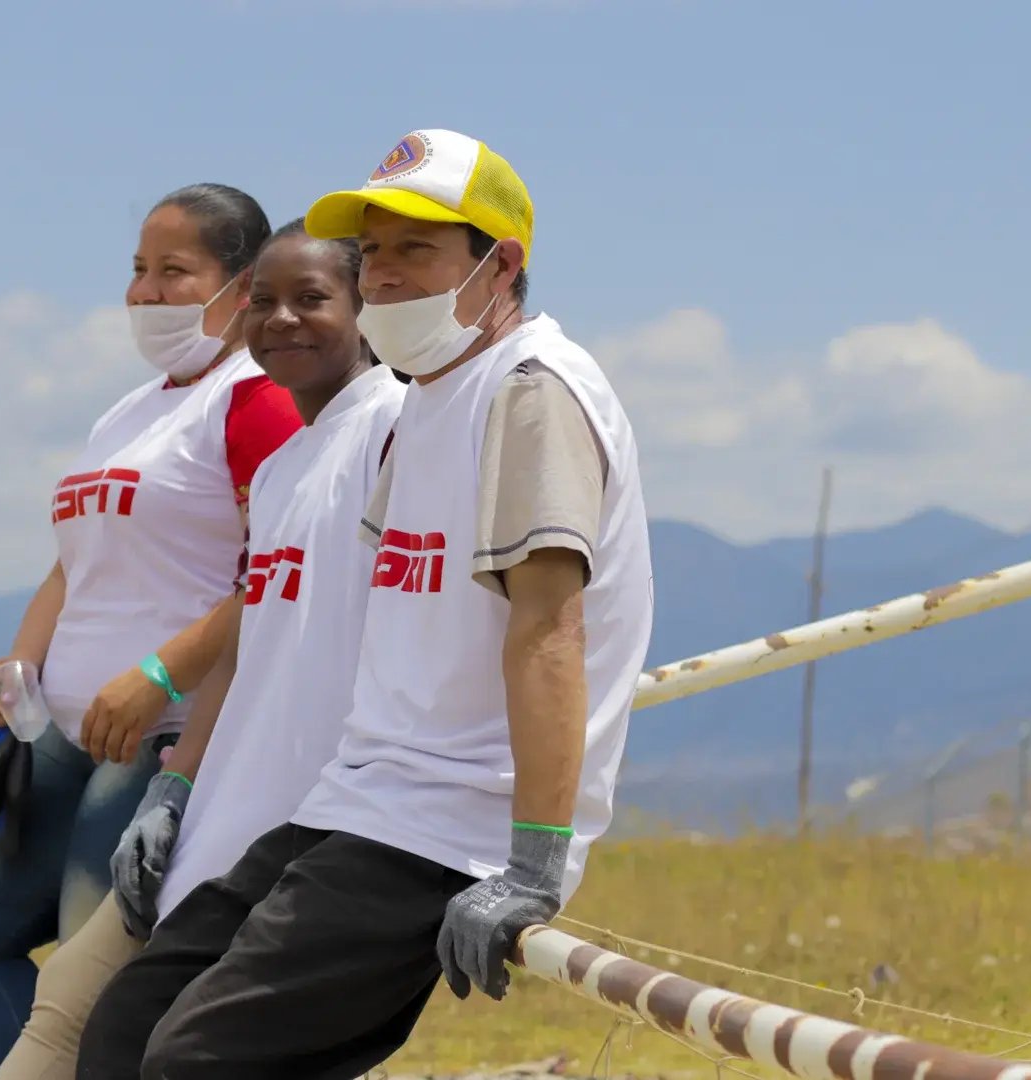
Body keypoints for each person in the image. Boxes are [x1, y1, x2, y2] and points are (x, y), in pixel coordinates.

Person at [76, 129, 655, 1080]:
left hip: (450, 821)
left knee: (198, 1062)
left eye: (416, 250)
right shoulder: (428, 397)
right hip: (359, 797)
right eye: (375, 250)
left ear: (500, 265)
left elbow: (549, 631)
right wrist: (183, 783)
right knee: (124, 1032)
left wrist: (535, 864)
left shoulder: (529, 392)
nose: (383, 275)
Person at [0, 219, 405, 1080]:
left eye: (312, 299)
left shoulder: (395, 433)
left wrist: (155, 681)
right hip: (219, 803)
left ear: (367, 311)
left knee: (145, 1037)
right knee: (79, 1006)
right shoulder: (294, 460)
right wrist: (176, 788)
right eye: (265, 302)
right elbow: (251, 637)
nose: (281, 319)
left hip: (316, 825)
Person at [0, 183, 303, 1078]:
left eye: (175, 272)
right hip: (57, 733)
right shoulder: (126, 414)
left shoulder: (253, 402)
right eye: (138, 269)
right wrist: (21, 659)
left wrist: (161, 677)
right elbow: (71, 563)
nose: (145, 292)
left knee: (91, 985)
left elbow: (276, 573)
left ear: (241, 285)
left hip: (156, 734)